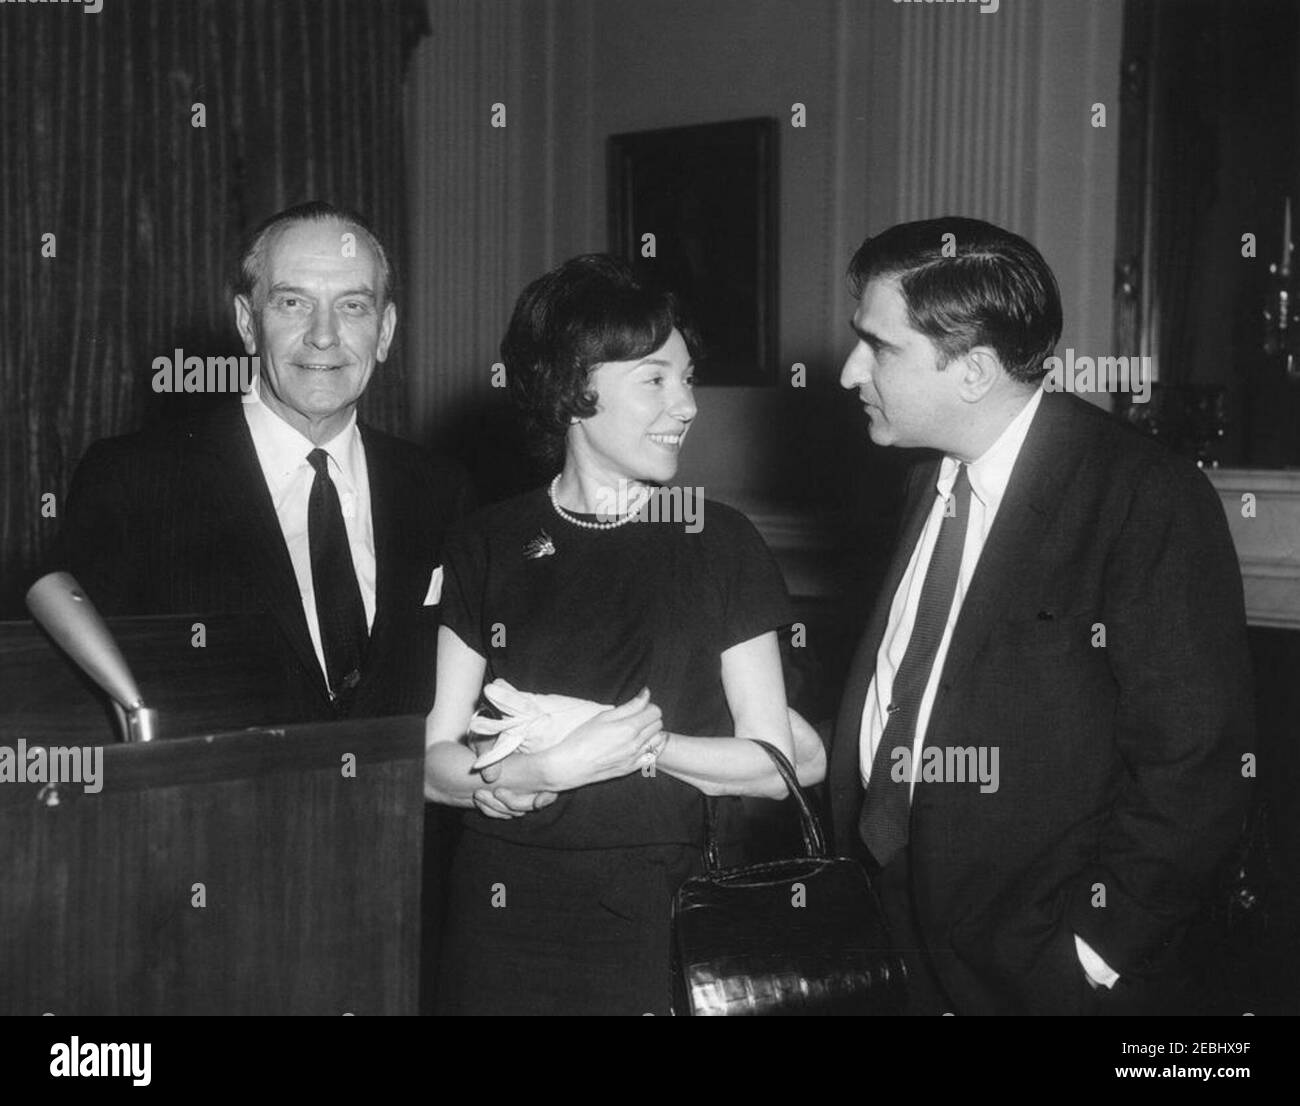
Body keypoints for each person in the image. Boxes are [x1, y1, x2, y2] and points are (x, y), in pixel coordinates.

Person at [828, 216, 1254, 1016]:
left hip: (1040, 976)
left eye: (879, 347)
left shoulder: (1141, 496)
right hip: (892, 943)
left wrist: (1090, 955)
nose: (851, 371)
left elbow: (1196, 764)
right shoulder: (924, 477)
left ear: (974, 371)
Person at [424, 254, 825, 1016]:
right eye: (655, 380)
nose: (687, 405)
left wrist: (631, 746)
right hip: (500, 922)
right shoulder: (486, 542)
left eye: (688, 378)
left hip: (665, 920)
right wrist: (528, 774)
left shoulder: (719, 539)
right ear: (574, 386)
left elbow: (776, 761)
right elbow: (429, 759)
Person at [50, 200, 472, 722]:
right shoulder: (133, 482)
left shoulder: (444, 492)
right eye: (293, 303)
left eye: (353, 306)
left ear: (384, 332)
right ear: (248, 324)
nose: (323, 335)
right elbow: (77, 709)